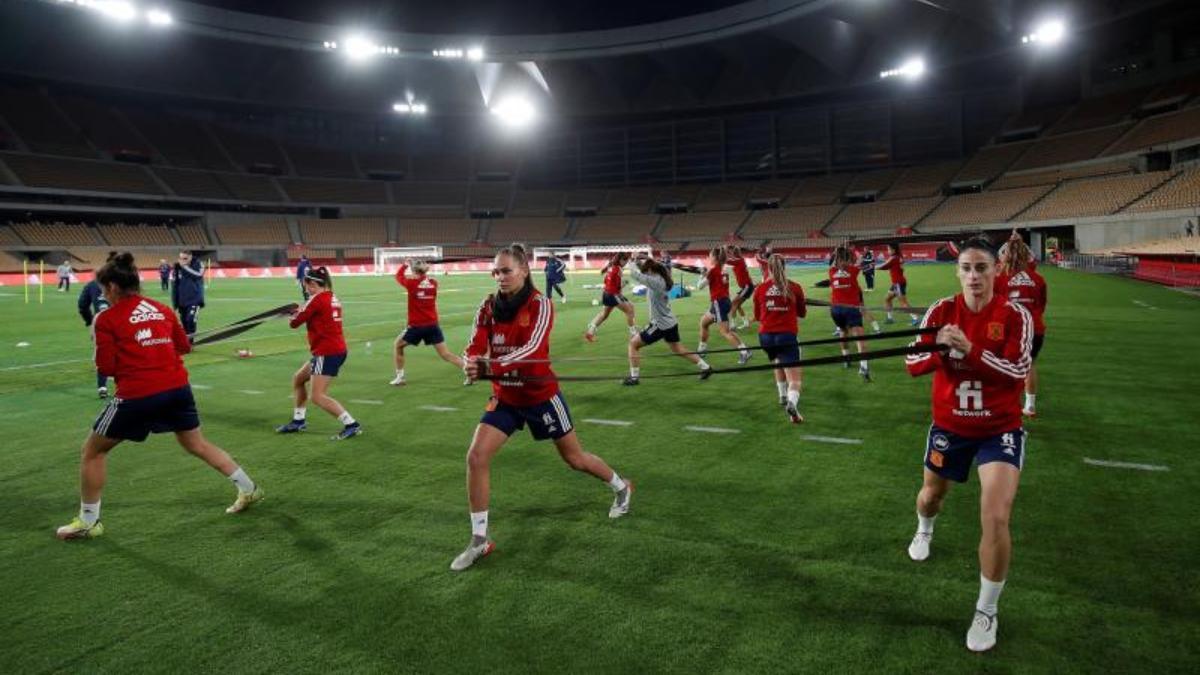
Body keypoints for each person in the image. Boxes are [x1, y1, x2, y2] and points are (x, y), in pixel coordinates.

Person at [55, 253, 263, 540]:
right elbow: (184, 347)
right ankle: (249, 488)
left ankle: (89, 521)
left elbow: (106, 368)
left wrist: (102, 345)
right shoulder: (161, 309)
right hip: (178, 389)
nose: (103, 295)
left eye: (104, 289)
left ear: (113, 286)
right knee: (196, 444)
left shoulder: (106, 318)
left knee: (92, 452)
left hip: (138, 394)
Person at [453, 243, 633, 571]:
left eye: (506, 270)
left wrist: (491, 365)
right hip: (505, 397)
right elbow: (476, 342)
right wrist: (471, 361)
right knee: (476, 457)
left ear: (523, 270)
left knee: (575, 459)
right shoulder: (488, 306)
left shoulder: (541, 304)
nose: (500, 276)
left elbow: (533, 349)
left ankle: (621, 487)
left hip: (540, 397)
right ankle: (479, 540)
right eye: (496, 271)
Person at [904, 237, 1034, 653]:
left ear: (996, 270)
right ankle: (925, 529)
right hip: (951, 426)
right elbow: (911, 362)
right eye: (966, 268)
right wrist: (940, 350)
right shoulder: (941, 311)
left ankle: (986, 609)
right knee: (930, 497)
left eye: (981, 267)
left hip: (999, 429)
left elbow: (1017, 371)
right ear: (957, 272)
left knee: (995, 517)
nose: (974, 276)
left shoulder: (1015, 315)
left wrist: (970, 349)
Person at [276, 267, 362, 440]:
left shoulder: (316, 300)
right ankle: (298, 421)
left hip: (326, 352)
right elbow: (316, 314)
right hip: (333, 349)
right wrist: (299, 311)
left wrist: (290, 315)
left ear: (313, 284)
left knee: (317, 396)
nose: (306, 289)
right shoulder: (331, 297)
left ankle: (351, 424)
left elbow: (294, 324)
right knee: (298, 379)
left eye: (306, 286)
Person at [623, 253, 712, 385]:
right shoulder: (659, 278)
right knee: (678, 349)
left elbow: (636, 275)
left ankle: (634, 378)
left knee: (633, 344)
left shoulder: (655, 282)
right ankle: (706, 367)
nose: (645, 273)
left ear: (651, 270)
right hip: (670, 323)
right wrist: (637, 260)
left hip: (660, 325)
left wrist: (630, 262)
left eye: (647, 271)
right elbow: (643, 270)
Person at [995, 232, 1047, 417]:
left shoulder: (999, 279)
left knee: (1002, 365)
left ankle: (1004, 403)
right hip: (1034, 328)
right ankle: (1030, 406)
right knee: (1029, 364)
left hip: (1008, 329)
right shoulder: (1038, 279)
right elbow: (1041, 305)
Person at [389, 259, 465, 386]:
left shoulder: (411, 283)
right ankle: (471, 369)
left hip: (417, 326)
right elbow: (425, 281)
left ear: (413, 271)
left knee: (398, 345)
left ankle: (400, 377)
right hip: (432, 325)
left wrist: (405, 265)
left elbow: (398, 276)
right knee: (446, 354)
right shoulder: (434, 283)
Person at [753, 254, 807, 423]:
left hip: (765, 337)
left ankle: (782, 396)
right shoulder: (795, 287)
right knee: (795, 380)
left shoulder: (760, 289)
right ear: (785, 267)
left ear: (768, 268)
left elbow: (757, 316)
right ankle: (792, 404)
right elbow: (802, 313)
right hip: (786, 336)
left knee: (777, 359)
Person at [697, 246, 752, 364]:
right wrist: (706, 273)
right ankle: (702, 349)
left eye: (710, 256)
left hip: (718, 303)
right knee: (703, 322)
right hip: (724, 301)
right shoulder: (723, 269)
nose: (709, 258)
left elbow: (700, 286)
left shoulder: (713, 270)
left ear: (715, 257)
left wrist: (701, 275)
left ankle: (744, 352)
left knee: (725, 332)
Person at [828, 246, 873, 382]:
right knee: (860, 338)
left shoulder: (831, 271)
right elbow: (859, 260)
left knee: (843, 332)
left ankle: (846, 359)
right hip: (851, 309)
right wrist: (853, 251)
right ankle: (863, 367)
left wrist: (838, 252)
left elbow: (834, 262)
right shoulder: (853, 270)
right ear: (847, 260)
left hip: (836, 310)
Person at [78, 252, 117, 398]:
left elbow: (82, 305)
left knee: (102, 352)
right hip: (121, 321)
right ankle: (125, 384)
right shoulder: (124, 283)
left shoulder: (92, 284)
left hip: (100, 321)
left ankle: (102, 387)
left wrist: (90, 321)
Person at [584, 252, 637, 342]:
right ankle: (633, 334)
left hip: (606, 294)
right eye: (626, 261)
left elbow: (606, 281)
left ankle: (590, 332)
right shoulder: (618, 269)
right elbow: (618, 287)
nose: (626, 264)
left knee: (604, 314)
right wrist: (625, 283)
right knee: (629, 310)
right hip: (613, 295)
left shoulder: (611, 266)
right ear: (621, 260)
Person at [879, 243, 919, 325]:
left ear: (893, 250)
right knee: (887, 299)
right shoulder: (897, 257)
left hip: (898, 283)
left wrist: (873, 267)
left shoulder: (894, 258)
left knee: (903, 303)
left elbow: (883, 267)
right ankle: (890, 319)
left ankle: (916, 318)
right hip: (896, 283)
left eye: (888, 249)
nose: (887, 251)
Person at [171, 251, 205, 339]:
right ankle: (188, 342)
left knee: (191, 320)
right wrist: (175, 304)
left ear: (190, 257)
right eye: (181, 258)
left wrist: (184, 267)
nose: (182, 260)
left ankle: (191, 342)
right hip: (182, 301)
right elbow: (175, 286)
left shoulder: (198, 264)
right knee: (184, 323)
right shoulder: (177, 268)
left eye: (185, 258)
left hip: (194, 300)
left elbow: (199, 275)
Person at [725, 244, 755, 330]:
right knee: (737, 305)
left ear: (734, 253)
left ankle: (733, 325)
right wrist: (727, 252)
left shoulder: (739, 261)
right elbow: (730, 259)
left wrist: (725, 252)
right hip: (746, 287)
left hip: (747, 286)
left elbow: (727, 261)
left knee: (733, 303)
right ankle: (745, 323)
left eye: (732, 253)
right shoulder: (739, 260)